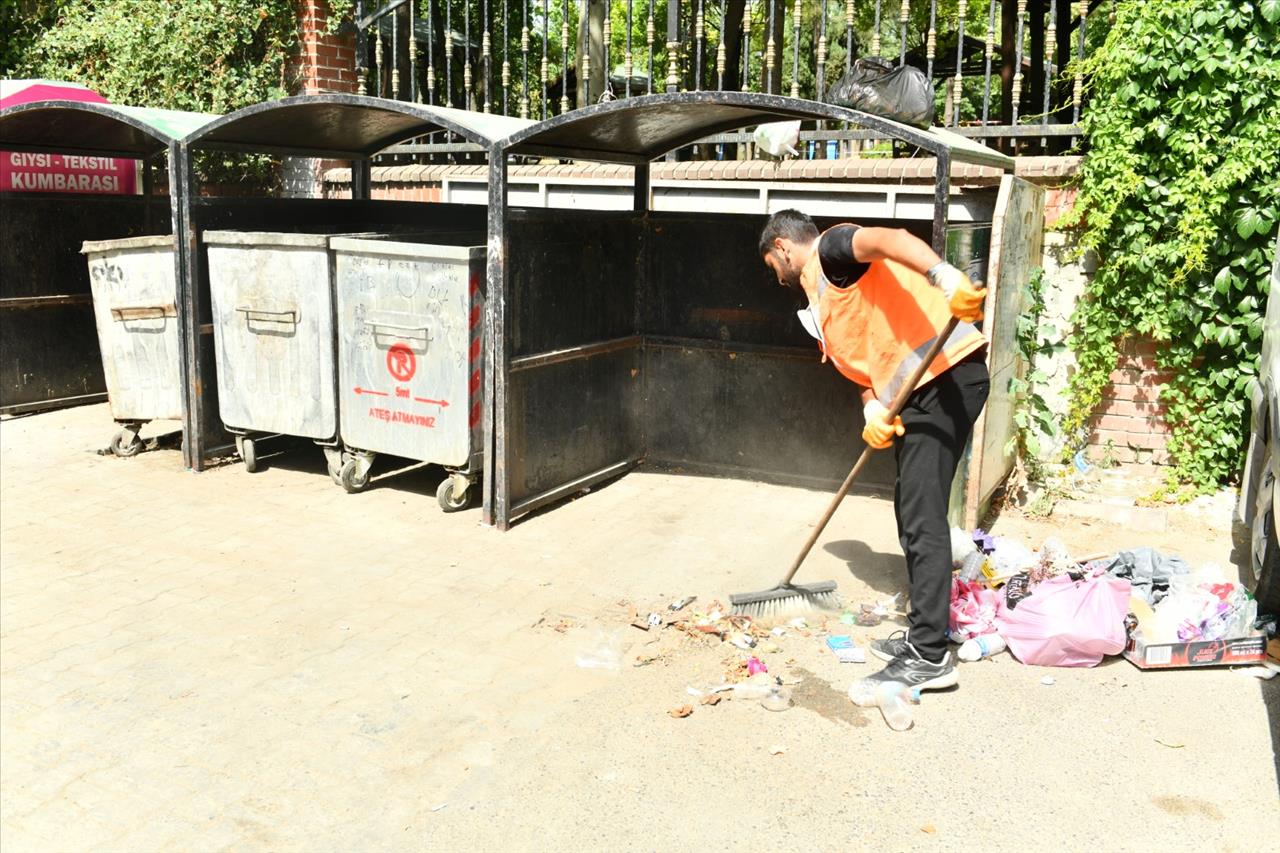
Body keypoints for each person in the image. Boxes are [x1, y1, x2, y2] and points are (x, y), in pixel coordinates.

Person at [758, 209, 990, 692]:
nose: (773, 277)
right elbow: (864, 367)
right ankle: (928, 630)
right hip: (918, 394)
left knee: (923, 515)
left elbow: (889, 238)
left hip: (946, 377)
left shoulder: (832, 250)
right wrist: (871, 409)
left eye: (770, 266)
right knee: (909, 509)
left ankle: (929, 658)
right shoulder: (819, 301)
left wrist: (941, 274)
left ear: (782, 247)